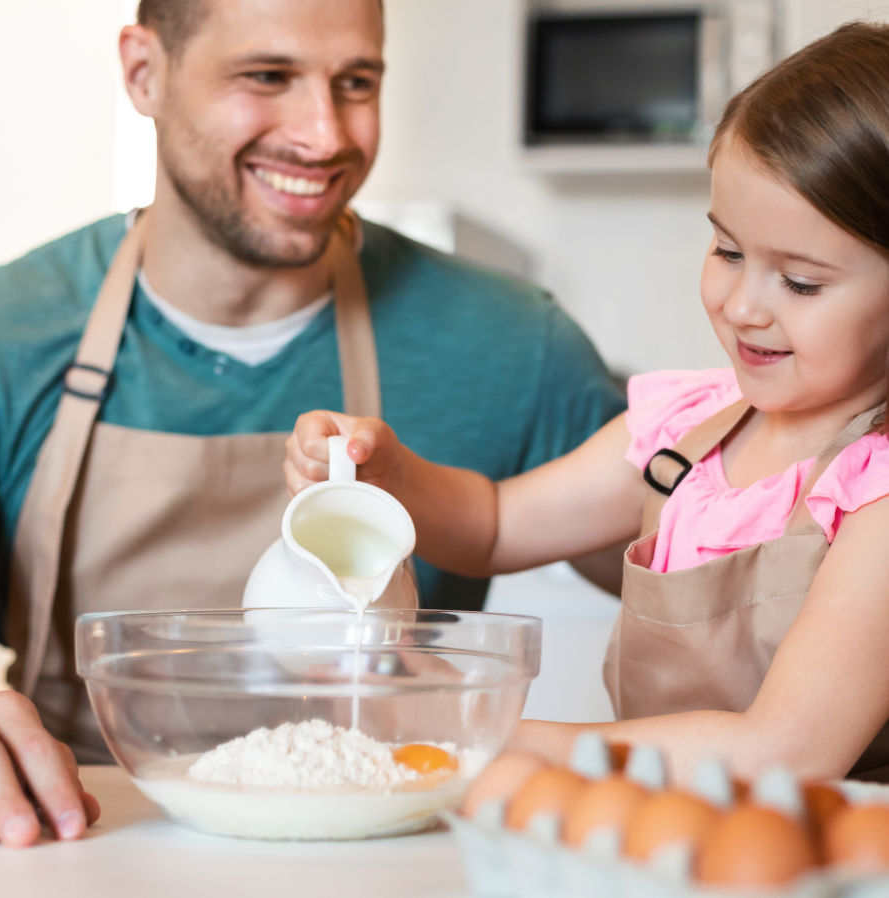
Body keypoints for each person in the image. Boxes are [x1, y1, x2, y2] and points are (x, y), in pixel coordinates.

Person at [0, 0, 625, 847]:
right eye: (267, 76)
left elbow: (689, 556)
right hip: (87, 841)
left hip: (398, 847)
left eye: (355, 83)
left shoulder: (511, 342)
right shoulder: (6, 333)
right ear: (144, 73)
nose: (325, 136)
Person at [286, 21, 889, 792]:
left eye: (800, 283)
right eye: (728, 251)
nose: (742, 306)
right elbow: (495, 525)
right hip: (650, 832)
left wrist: (466, 724)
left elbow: (785, 752)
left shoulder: (873, 494)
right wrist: (389, 474)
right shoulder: (683, 432)